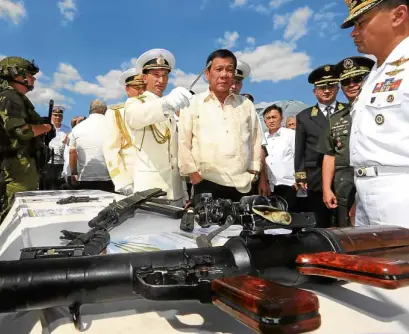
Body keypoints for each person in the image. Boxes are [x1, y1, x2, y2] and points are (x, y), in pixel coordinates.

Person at [341, 0, 409, 227]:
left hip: (400, 194)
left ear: (398, 15)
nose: (354, 33)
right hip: (367, 194)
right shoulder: (376, 73)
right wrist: (362, 196)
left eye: (361, 23)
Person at [178, 49, 262, 202]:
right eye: (218, 69)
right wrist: (193, 175)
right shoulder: (192, 104)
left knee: (241, 226)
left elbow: (256, 139)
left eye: (229, 70)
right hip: (206, 183)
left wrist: (253, 170)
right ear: (207, 74)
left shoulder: (246, 105)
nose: (224, 74)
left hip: (242, 184)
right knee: (207, 227)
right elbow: (183, 143)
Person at [124, 48, 192, 206]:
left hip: (176, 192)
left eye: (165, 75)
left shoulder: (171, 111)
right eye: (156, 75)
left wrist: (184, 191)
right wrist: (166, 103)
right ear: (144, 77)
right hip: (150, 190)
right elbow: (136, 117)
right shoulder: (135, 103)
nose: (161, 81)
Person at [316, 56, 375, 227]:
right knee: (348, 236)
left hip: (375, 182)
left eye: (357, 79)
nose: (352, 84)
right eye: (346, 81)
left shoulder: (378, 110)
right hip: (344, 187)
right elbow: (329, 154)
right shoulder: (335, 119)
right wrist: (327, 189)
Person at [0, 57, 53, 223]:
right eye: (30, 74)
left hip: (21, 166)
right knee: (12, 217)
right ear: (17, 75)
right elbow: (20, 131)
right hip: (15, 169)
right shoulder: (9, 97)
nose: (33, 79)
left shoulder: (16, 98)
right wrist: (45, 128)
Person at [294, 64, 347, 227]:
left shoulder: (348, 111)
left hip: (343, 173)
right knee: (319, 221)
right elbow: (300, 148)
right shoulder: (304, 116)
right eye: (321, 87)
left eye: (330, 86)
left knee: (344, 221)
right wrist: (300, 175)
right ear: (314, 91)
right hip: (315, 176)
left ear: (337, 88)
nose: (326, 90)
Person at [103, 68, 146, 195]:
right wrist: (123, 182)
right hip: (132, 179)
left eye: (144, 87)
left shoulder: (158, 110)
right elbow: (110, 150)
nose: (142, 91)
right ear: (127, 89)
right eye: (137, 87)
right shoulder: (116, 113)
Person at [69, 100, 114, 192]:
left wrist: (73, 173)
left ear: (90, 111)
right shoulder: (113, 125)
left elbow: (72, 152)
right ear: (105, 110)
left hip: (85, 178)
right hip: (110, 178)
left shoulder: (77, 128)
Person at [262, 104, 297, 211]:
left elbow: (298, 157)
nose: (271, 121)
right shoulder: (262, 138)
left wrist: (297, 180)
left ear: (281, 119)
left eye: (274, 117)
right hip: (269, 186)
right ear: (264, 121)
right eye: (268, 118)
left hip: (288, 185)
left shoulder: (291, 134)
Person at [42, 105, 70, 190]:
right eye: (55, 115)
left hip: (62, 163)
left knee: (61, 189)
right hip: (48, 163)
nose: (58, 117)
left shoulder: (67, 129)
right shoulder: (45, 127)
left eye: (60, 116)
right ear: (51, 115)